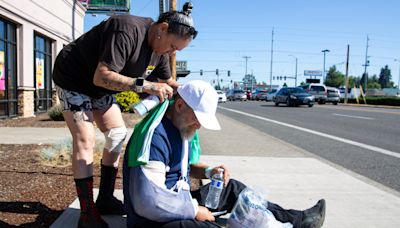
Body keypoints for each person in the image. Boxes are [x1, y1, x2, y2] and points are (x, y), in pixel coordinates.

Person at [52, 2, 198, 227]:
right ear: (162, 28)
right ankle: (87, 213)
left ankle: (105, 198)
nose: (171, 53)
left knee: (118, 133)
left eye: (176, 51)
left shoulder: (159, 51)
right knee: (85, 140)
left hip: (99, 88)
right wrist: (145, 86)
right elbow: (102, 76)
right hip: (74, 78)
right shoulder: (126, 29)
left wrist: (196, 97)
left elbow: (168, 82)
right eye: (172, 47)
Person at [123, 80, 326, 228]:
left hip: (178, 201)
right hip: (153, 219)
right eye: (198, 119)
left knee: (233, 189)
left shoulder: (181, 126)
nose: (199, 126)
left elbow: (183, 168)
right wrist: (194, 211)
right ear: (179, 105)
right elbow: (147, 202)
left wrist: (210, 172)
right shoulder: (155, 136)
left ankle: (298, 220)